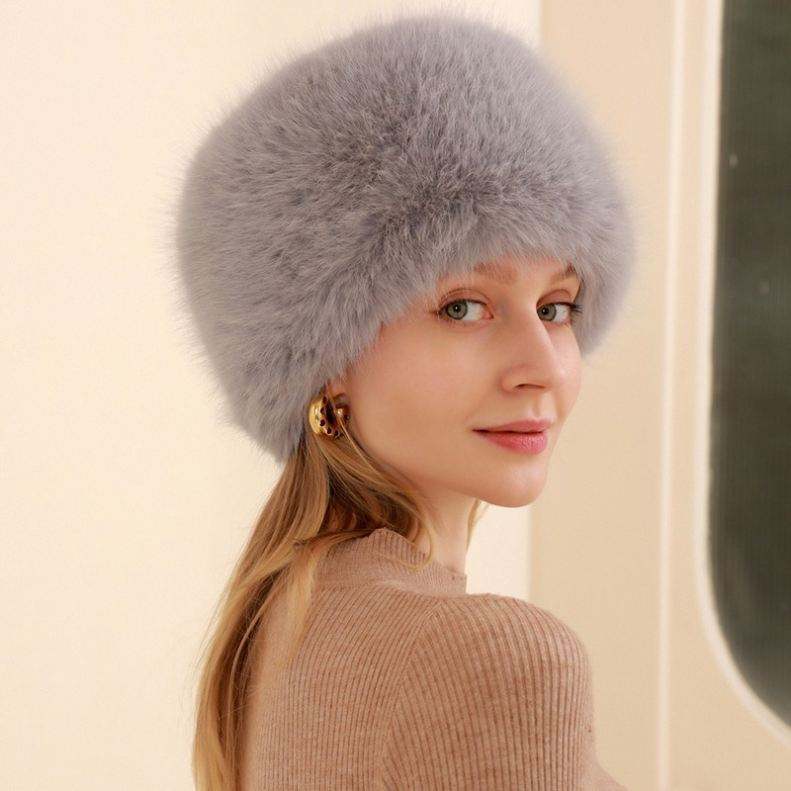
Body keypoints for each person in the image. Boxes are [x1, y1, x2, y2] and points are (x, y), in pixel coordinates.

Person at [173, 8, 636, 790]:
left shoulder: (281, 616)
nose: (541, 366)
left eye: (555, 306)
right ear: (327, 358)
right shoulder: (493, 658)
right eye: (463, 306)